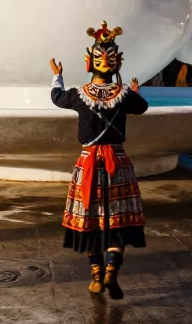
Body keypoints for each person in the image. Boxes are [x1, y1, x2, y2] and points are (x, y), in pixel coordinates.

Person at [50, 22, 149, 300]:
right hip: (117, 162)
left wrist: (57, 76)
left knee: (91, 219)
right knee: (118, 219)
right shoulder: (124, 95)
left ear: (88, 63)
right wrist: (134, 89)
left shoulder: (79, 95)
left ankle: (95, 274)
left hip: (88, 162)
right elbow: (142, 107)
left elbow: (56, 97)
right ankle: (111, 270)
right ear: (117, 64)